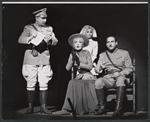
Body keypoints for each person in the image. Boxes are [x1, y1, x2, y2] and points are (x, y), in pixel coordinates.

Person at [18, 8, 58, 114]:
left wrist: (51, 40)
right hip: (31, 58)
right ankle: (30, 107)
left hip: (44, 58)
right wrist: (31, 37)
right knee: (30, 83)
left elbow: (55, 41)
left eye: (45, 18)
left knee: (44, 82)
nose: (44, 20)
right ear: (36, 18)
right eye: (42, 18)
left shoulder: (49, 28)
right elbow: (20, 40)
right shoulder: (29, 27)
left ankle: (43, 107)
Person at [53, 33, 98, 115]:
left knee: (78, 83)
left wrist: (80, 64)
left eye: (80, 42)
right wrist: (71, 59)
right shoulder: (72, 54)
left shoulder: (86, 53)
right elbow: (67, 68)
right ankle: (68, 108)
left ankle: (83, 109)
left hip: (88, 76)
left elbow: (90, 67)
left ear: (83, 44)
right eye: (75, 42)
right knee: (71, 82)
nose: (77, 44)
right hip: (79, 76)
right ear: (73, 45)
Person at [94, 36, 133, 117]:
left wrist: (120, 73)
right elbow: (97, 70)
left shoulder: (124, 53)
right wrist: (99, 66)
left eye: (112, 42)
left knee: (120, 79)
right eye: (108, 42)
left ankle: (118, 108)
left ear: (116, 43)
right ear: (106, 44)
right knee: (98, 82)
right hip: (109, 78)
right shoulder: (102, 55)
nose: (110, 44)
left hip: (121, 76)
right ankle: (102, 107)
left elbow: (130, 68)